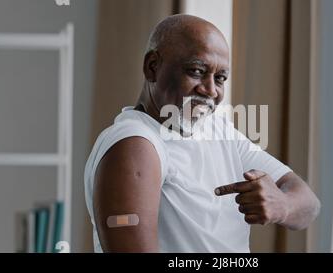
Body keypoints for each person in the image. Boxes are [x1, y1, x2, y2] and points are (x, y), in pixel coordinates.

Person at [84, 14, 320, 253]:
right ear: (152, 67)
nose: (210, 90)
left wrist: (282, 205)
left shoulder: (219, 131)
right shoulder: (135, 143)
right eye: (196, 71)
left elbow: (309, 205)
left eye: (220, 78)